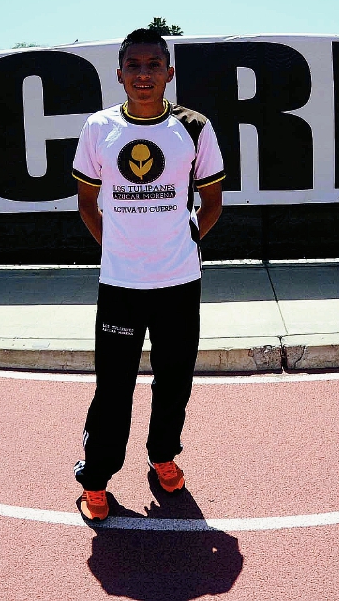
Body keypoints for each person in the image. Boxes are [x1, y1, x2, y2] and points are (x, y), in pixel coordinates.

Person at [70, 28, 225, 522]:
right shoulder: (98, 128)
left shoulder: (195, 127)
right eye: (133, 65)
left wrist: (187, 241)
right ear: (119, 74)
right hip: (120, 286)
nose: (143, 74)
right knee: (113, 387)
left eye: (153, 65)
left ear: (169, 72)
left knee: (174, 380)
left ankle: (163, 456)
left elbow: (213, 200)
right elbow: (87, 203)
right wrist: (118, 248)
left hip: (180, 283)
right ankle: (96, 479)